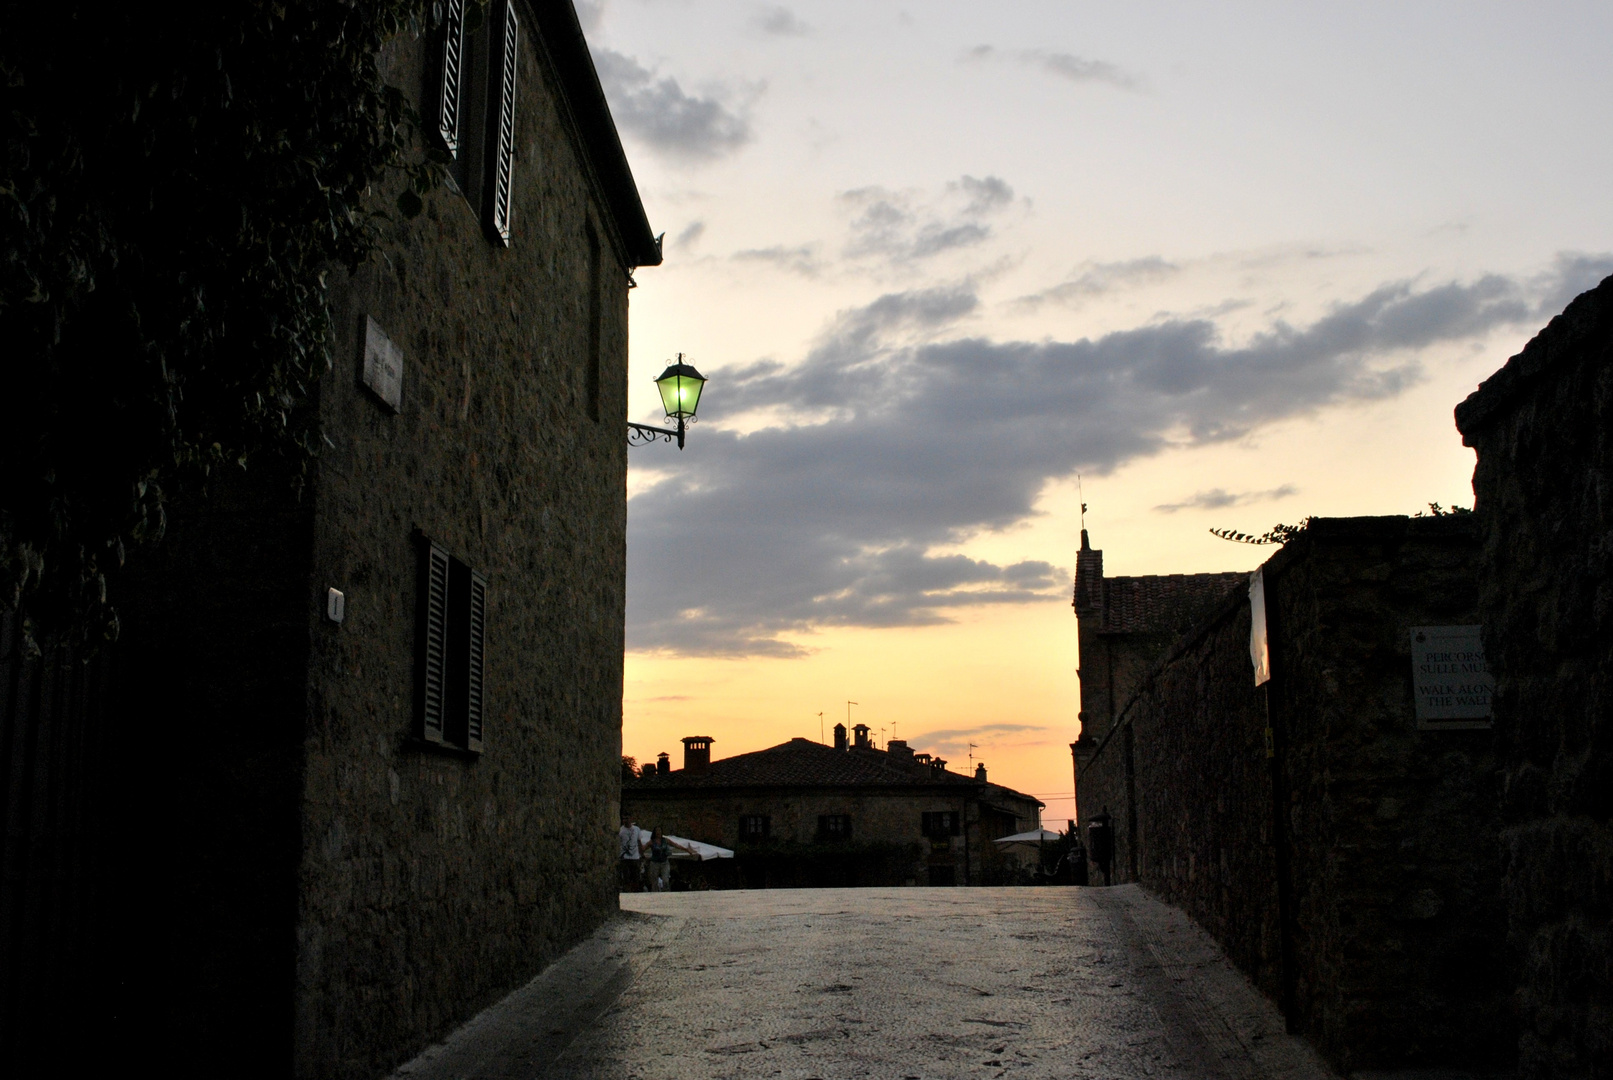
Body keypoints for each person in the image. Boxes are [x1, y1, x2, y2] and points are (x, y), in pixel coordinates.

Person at [1087, 808, 1114, 886]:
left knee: (1104, 865)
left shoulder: (1102, 833)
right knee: (1104, 865)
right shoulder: (1100, 832)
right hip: (1101, 851)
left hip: (1102, 851)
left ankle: (1107, 882)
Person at [618, 817, 644, 892]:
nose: (626, 820)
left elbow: (639, 841)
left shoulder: (636, 829)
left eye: (627, 818)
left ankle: (635, 890)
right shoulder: (621, 830)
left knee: (635, 876)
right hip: (624, 857)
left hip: (635, 857)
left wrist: (641, 853)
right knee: (626, 876)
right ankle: (627, 890)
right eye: (624, 819)